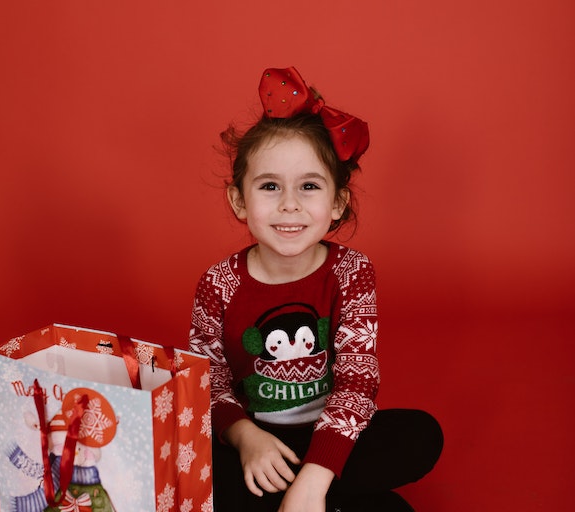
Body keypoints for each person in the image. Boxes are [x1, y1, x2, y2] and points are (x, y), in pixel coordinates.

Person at [189, 66, 443, 512]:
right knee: (199, 469)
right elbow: (208, 382)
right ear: (239, 201)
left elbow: (357, 382)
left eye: (309, 186)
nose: (290, 203)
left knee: (421, 435)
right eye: (270, 187)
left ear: (337, 203)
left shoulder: (351, 272)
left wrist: (314, 477)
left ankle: (311, 494)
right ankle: (318, 498)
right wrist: (246, 438)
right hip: (258, 441)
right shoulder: (219, 283)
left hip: (333, 435)